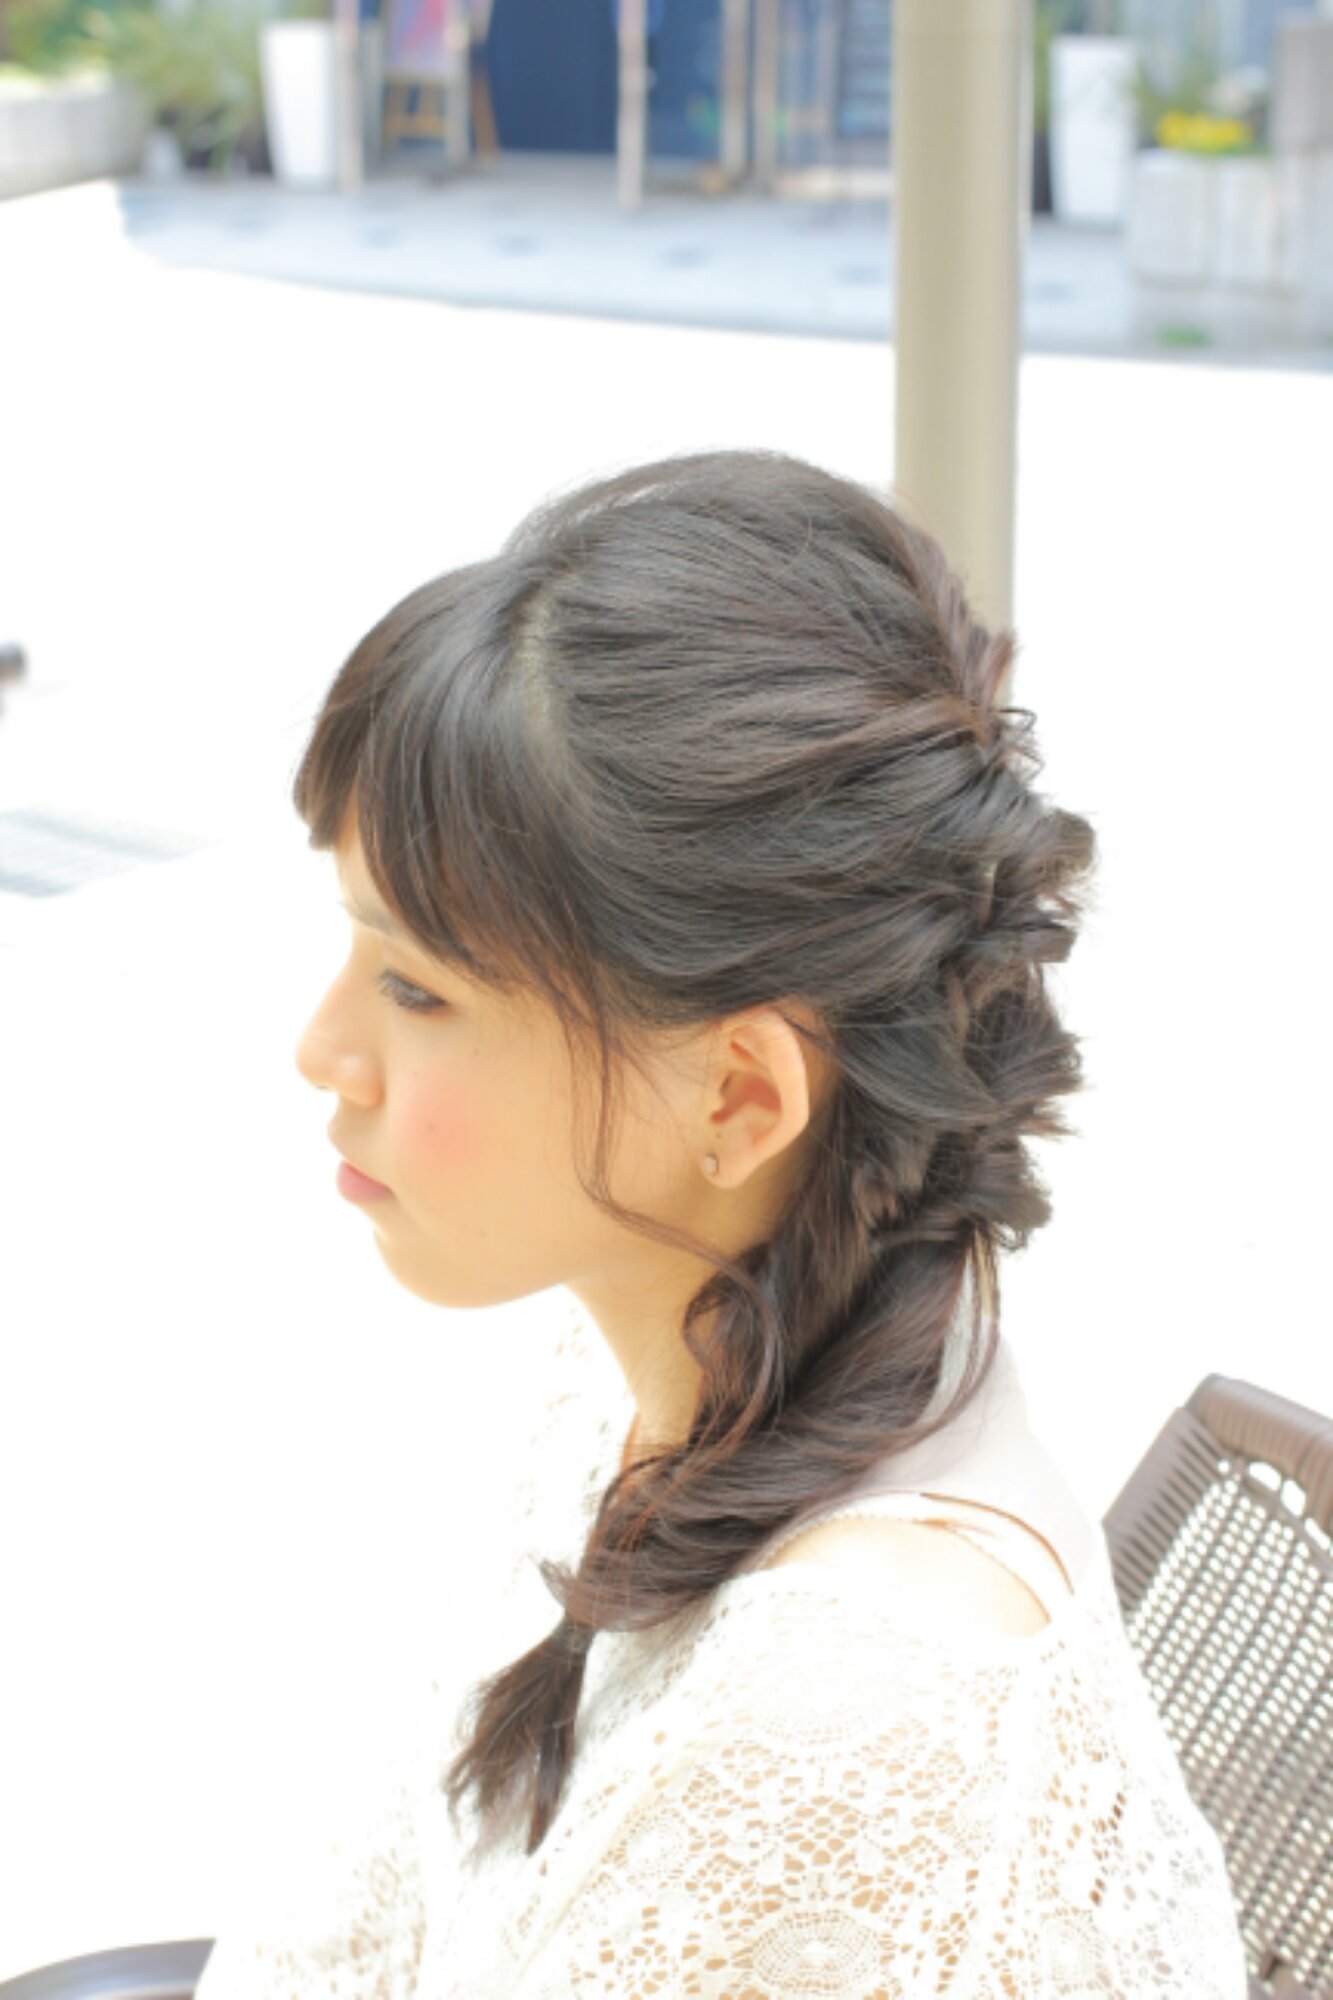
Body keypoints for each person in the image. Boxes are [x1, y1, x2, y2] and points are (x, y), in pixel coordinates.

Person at [194, 447, 1250, 1997]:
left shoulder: (842, 1736)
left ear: (740, 1097)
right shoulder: (699, 1352)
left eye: (416, 988)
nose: (320, 1050)